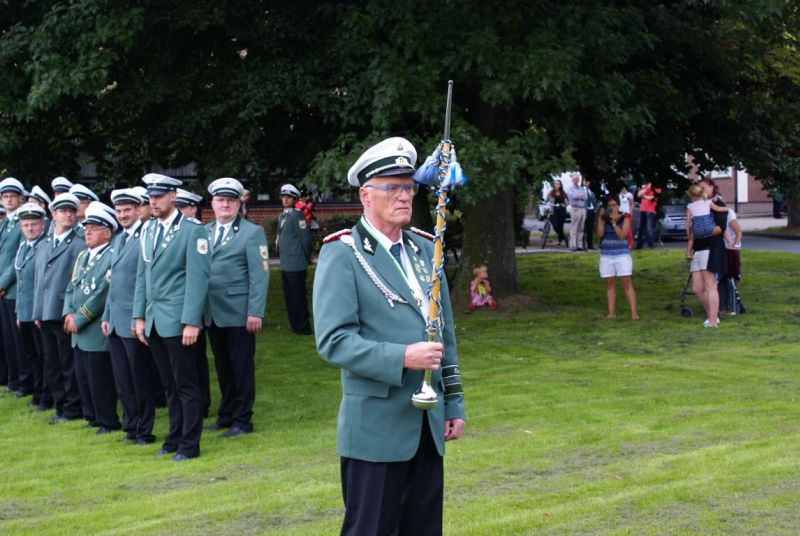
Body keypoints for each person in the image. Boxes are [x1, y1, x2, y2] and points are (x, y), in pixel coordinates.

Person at [313, 137, 465, 535]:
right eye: (392, 187)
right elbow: (333, 340)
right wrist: (402, 357)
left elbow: (445, 335)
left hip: (427, 426)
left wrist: (454, 402)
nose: (404, 196)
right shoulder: (343, 254)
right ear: (365, 195)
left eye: (408, 187)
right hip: (376, 429)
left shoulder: (426, 249)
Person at [133, 173, 210, 461]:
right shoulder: (149, 229)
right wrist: (139, 316)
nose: (153, 201)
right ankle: (174, 438)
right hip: (154, 320)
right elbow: (143, 274)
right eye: (150, 197)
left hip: (178, 320)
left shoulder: (192, 230)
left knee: (187, 386)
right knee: (170, 385)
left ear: (173, 197)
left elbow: (198, 279)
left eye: (159, 196)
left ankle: (190, 445)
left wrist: (192, 321)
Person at [203, 177, 269, 438]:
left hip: (239, 312)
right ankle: (227, 414)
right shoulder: (205, 231)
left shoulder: (252, 232)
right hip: (212, 312)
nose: (225, 205)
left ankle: (242, 420)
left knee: (241, 368)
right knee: (223, 367)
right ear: (213, 204)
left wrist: (255, 311)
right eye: (220, 200)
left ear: (239, 204)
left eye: (230, 200)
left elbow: (260, 275)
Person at [101, 188, 157, 445]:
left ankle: (144, 430)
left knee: (139, 379)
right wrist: (106, 315)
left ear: (137, 211)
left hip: (134, 322)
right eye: (119, 211)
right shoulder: (118, 240)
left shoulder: (145, 237)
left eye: (127, 210)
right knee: (123, 380)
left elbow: (144, 283)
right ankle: (130, 427)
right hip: (115, 322)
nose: (122, 215)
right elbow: (113, 283)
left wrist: (138, 318)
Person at [64, 202, 121, 434]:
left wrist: (79, 319)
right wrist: (68, 312)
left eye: (94, 228)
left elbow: (102, 294)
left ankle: (107, 421)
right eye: (86, 228)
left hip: (94, 328)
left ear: (107, 232)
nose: (87, 232)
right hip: (77, 329)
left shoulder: (111, 256)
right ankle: (92, 416)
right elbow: (72, 287)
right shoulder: (82, 256)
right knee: (84, 377)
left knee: (100, 379)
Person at [33, 193, 85, 423]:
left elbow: (77, 282)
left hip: (63, 311)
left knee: (67, 364)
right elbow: (39, 279)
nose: (68, 215)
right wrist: (37, 311)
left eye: (71, 211)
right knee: (52, 363)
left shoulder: (78, 243)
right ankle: (60, 405)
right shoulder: (44, 243)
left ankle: (72, 407)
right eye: (63, 211)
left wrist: (70, 310)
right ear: (53, 215)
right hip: (45, 312)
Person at [14, 203, 52, 411]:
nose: (30, 228)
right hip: (25, 311)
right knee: (32, 355)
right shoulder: (23, 247)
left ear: (42, 225)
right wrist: (19, 312)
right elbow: (21, 283)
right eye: (26, 225)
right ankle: (38, 393)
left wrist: (37, 312)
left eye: (34, 224)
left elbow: (42, 283)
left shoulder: (45, 246)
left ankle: (46, 396)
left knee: (44, 356)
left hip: (38, 311)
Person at [685, 178, 727, 328]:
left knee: (710, 285)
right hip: (698, 248)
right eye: (700, 188)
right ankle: (712, 315)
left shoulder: (716, 204)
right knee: (697, 288)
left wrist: (701, 232)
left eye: (704, 188)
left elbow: (720, 228)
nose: (702, 190)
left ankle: (713, 321)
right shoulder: (694, 205)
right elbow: (689, 227)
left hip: (711, 248)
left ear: (712, 187)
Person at [0, 177, 28, 395]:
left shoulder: (22, 222)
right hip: (3, 290)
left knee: (19, 340)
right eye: (5, 196)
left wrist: (2, 283)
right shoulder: (5, 222)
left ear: (20, 199)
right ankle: (13, 378)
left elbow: (18, 258)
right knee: (7, 338)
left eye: (12, 196)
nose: (9, 200)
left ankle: (24, 381)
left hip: (12, 288)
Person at [277, 183, 312, 335]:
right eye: (283, 197)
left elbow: (305, 239)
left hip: (296, 263)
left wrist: (305, 257)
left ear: (294, 199)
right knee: (289, 297)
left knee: (298, 297)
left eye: (289, 197)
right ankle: (295, 326)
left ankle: (303, 327)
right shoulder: (282, 216)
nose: (285, 200)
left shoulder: (297, 215)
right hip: (285, 263)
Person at [596, 195, 639, 320]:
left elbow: (622, 235)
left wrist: (614, 223)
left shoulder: (625, 217)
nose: (612, 208)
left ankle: (634, 313)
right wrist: (601, 219)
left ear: (618, 206)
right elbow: (600, 233)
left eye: (614, 205)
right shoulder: (604, 218)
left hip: (621, 254)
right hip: (607, 254)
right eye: (609, 206)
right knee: (609, 283)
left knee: (626, 282)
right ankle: (611, 313)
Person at [635, 182, 662, 249]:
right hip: (643, 210)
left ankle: (650, 245)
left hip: (651, 211)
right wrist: (647, 188)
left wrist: (644, 196)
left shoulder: (657, 189)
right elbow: (639, 194)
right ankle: (639, 245)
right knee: (641, 228)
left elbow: (652, 198)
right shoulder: (646, 187)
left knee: (650, 229)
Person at [566, 173, 586, 251]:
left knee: (581, 228)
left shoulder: (581, 188)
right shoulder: (570, 189)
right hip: (575, 209)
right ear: (572, 180)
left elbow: (585, 197)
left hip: (582, 209)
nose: (576, 180)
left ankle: (579, 245)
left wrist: (578, 196)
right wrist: (579, 196)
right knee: (574, 227)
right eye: (574, 179)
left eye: (577, 179)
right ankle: (573, 245)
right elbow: (572, 197)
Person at [546, 179, 568, 246]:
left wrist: (564, 204)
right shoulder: (551, 192)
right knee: (555, 226)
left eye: (558, 184)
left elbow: (566, 202)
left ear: (560, 185)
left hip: (561, 211)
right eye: (555, 184)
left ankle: (559, 241)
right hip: (553, 211)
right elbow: (547, 199)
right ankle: (564, 237)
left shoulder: (563, 193)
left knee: (560, 226)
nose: (556, 185)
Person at [583, 177, 597, 250]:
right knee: (582, 227)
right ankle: (582, 244)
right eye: (585, 181)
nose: (587, 183)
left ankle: (590, 244)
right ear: (583, 182)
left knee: (590, 228)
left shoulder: (591, 191)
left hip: (591, 210)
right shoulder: (581, 190)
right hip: (584, 210)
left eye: (588, 182)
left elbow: (595, 200)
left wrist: (595, 208)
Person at [618, 185, 634, 249]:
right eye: (622, 189)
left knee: (628, 229)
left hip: (627, 213)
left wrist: (630, 211)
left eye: (624, 189)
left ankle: (630, 244)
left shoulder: (629, 195)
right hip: (621, 213)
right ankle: (622, 243)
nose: (623, 190)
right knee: (620, 228)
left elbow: (632, 203)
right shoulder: (619, 195)